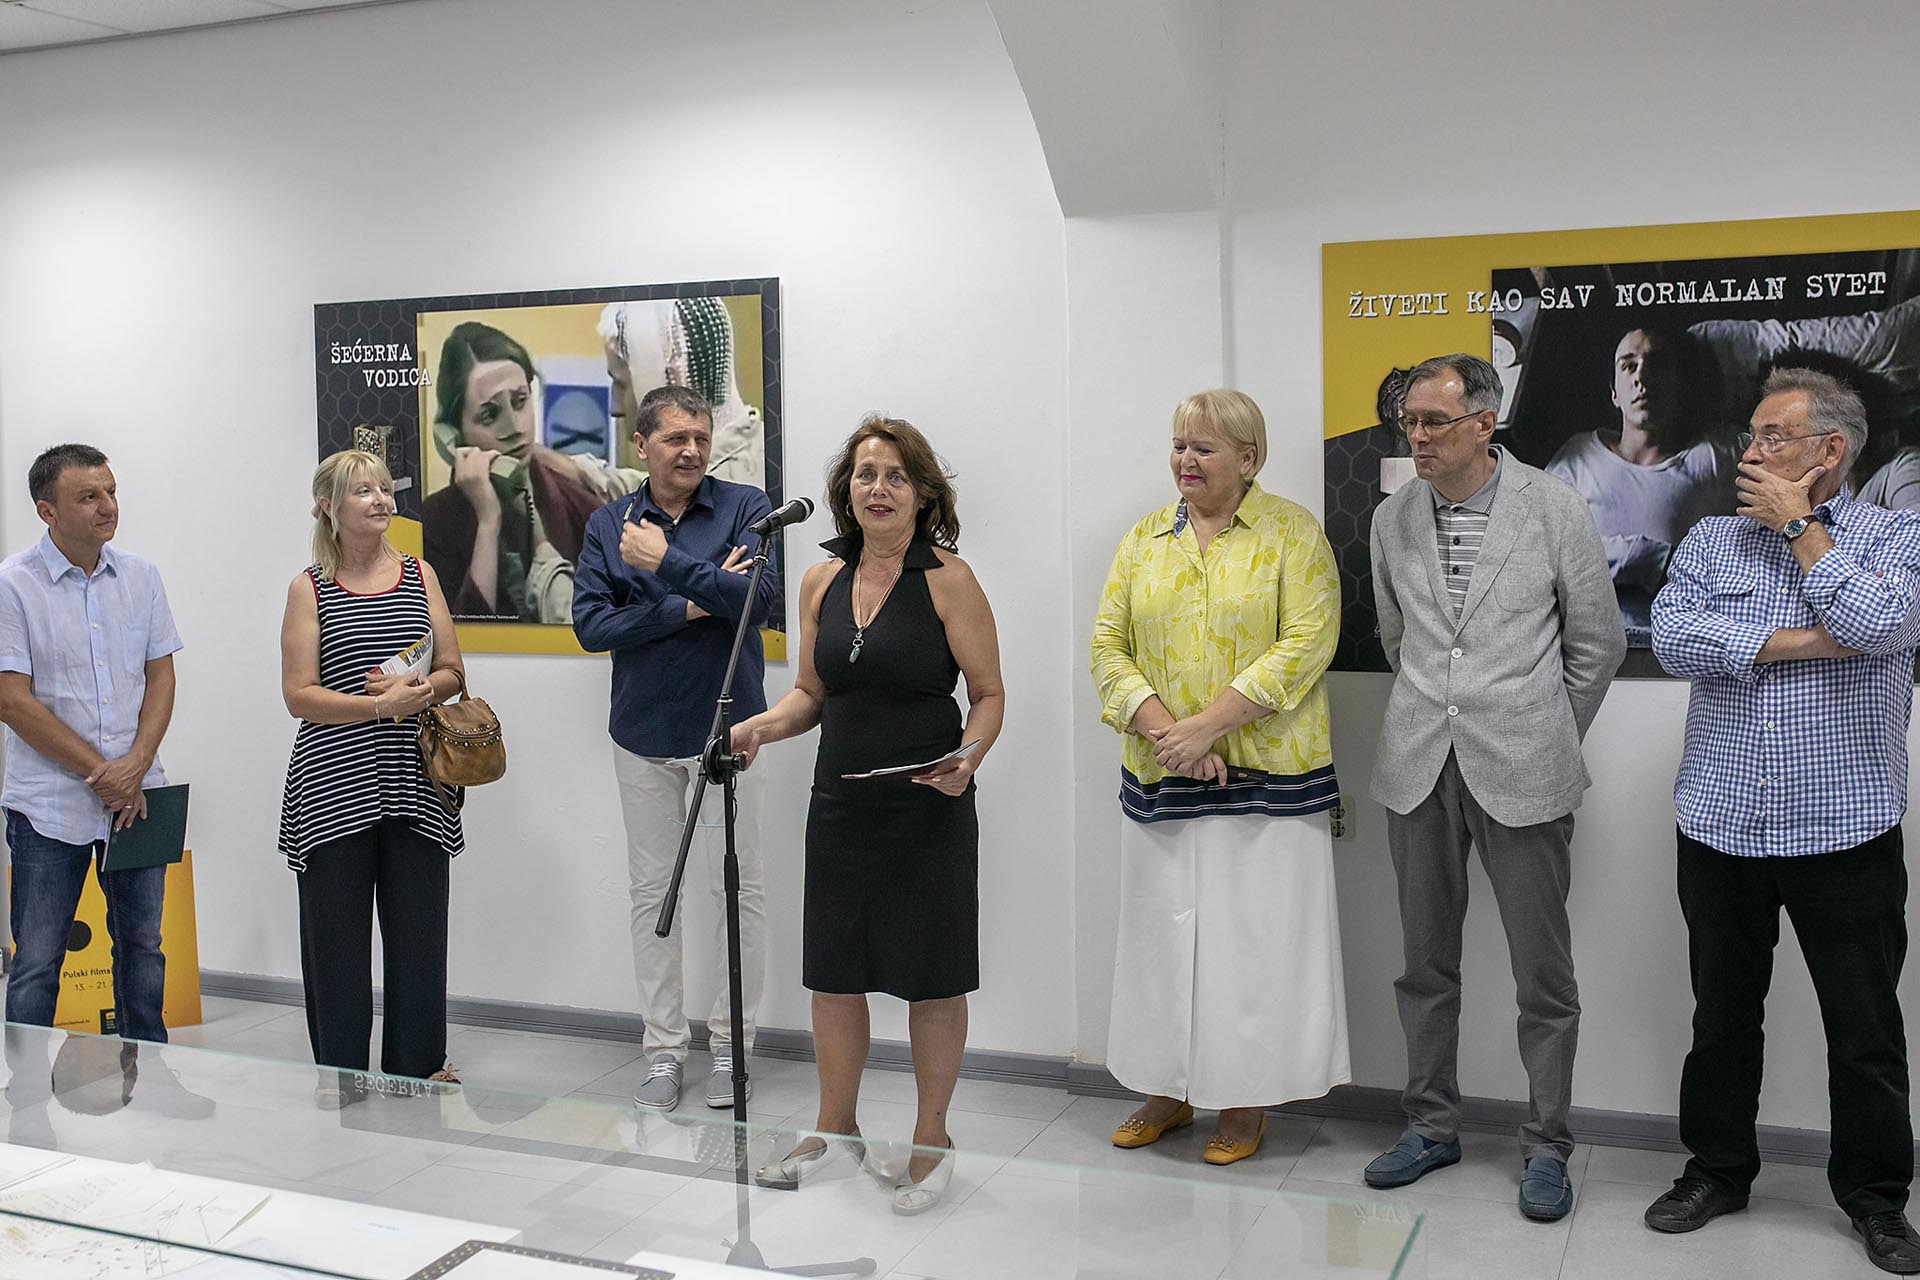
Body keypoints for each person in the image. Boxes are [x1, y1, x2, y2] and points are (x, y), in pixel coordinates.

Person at [1644, 367, 1920, 1274]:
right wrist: (1802, 642)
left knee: (1865, 1030)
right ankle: (1716, 1172)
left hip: (1846, 828)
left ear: (1830, 450)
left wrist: (1802, 530)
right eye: (1751, 436)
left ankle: (1877, 1201)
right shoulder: (1713, 539)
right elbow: (1673, 638)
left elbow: (1878, 624)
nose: (1750, 453)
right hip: (1720, 823)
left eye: (1774, 437)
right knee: (1722, 1016)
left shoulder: (1896, 535)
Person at [1366, 354, 1625, 1220]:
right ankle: (1429, 1126)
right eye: (1410, 422)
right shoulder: (1393, 517)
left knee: (1542, 978)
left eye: (1435, 421)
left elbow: (1598, 644)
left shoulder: (1553, 507)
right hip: (1418, 766)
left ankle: (1547, 1145)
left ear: (1485, 422)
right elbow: (1398, 637)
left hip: (1524, 769)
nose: (1418, 436)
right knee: (1423, 968)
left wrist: (1544, 733)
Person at [731, 415, 1003, 1214]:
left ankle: (931, 1140)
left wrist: (968, 758)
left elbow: (988, 695)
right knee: (835, 973)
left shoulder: (949, 580)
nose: (878, 488)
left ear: (923, 494)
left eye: (895, 476)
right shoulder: (821, 580)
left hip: (928, 806)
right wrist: (759, 726)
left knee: (932, 977)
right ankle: (834, 1127)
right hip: (841, 805)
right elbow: (811, 694)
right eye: (864, 474)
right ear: (845, 491)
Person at [1089, 388, 1349, 1166]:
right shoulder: (1142, 540)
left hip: (1269, 780)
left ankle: (1244, 1100)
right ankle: (1166, 1091)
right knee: (1162, 942)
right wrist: (1171, 735)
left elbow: (1307, 643)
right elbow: (1108, 647)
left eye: (1203, 447)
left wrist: (1209, 726)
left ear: (1249, 458)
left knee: (1252, 947)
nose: (1186, 460)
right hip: (1164, 771)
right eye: (1179, 445)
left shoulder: (1292, 533)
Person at [572, 384, 779, 1112]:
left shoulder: (746, 508)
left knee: (738, 891)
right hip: (643, 735)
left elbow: (760, 602)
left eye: (700, 437)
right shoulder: (608, 524)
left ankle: (730, 1049)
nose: (692, 451)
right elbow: (592, 626)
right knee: (652, 894)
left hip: (731, 733)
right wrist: (694, 599)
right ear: (642, 445)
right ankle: (663, 1050)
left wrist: (664, 564)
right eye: (675, 438)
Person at [279, 450, 466, 1103]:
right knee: (335, 939)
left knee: (419, 932)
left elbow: (453, 671)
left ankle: (417, 1066)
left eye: (385, 489)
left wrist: (422, 691)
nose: (382, 500)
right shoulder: (309, 588)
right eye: (363, 491)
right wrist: (379, 707)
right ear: (328, 506)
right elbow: (299, 696)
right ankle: (342, 1074)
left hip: (416, 778)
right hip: (333, 782)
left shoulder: (420, 574)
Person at [0, 445, 181, 1045]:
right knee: (37, 959)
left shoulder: (141, 576)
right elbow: (11, 701)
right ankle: (26, 1090)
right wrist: (105, 773)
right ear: (47, 511)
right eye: (89, 496)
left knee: (143, 947)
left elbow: (161, 677)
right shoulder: (12, 585)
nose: (108, 506)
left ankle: (148, 1074)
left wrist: (135, 765)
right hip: (48, 805)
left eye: (111, 492)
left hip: (141, 796)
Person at [423, 321, 640, 623]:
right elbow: (463, 631)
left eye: (520, 401)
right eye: (489, 414)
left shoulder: (580, 504)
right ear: (454, 434)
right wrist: (488, 523)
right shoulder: (433, 521)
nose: (515, 427)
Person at [1546, 327, 1739, 644]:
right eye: (1628, 365)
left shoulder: (1715, 457)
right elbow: (1537, 551)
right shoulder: (1579, 457)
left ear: (1678, 385)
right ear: (1615, 393)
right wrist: (1647, 557)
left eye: (1657, 365)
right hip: (1587, 646)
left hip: (1679, 645)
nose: (1642, 377)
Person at [600, 299, 765, 489]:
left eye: (621, 384)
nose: (615, 409)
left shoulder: (719, 492)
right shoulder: (766, 451)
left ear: (672, 379)